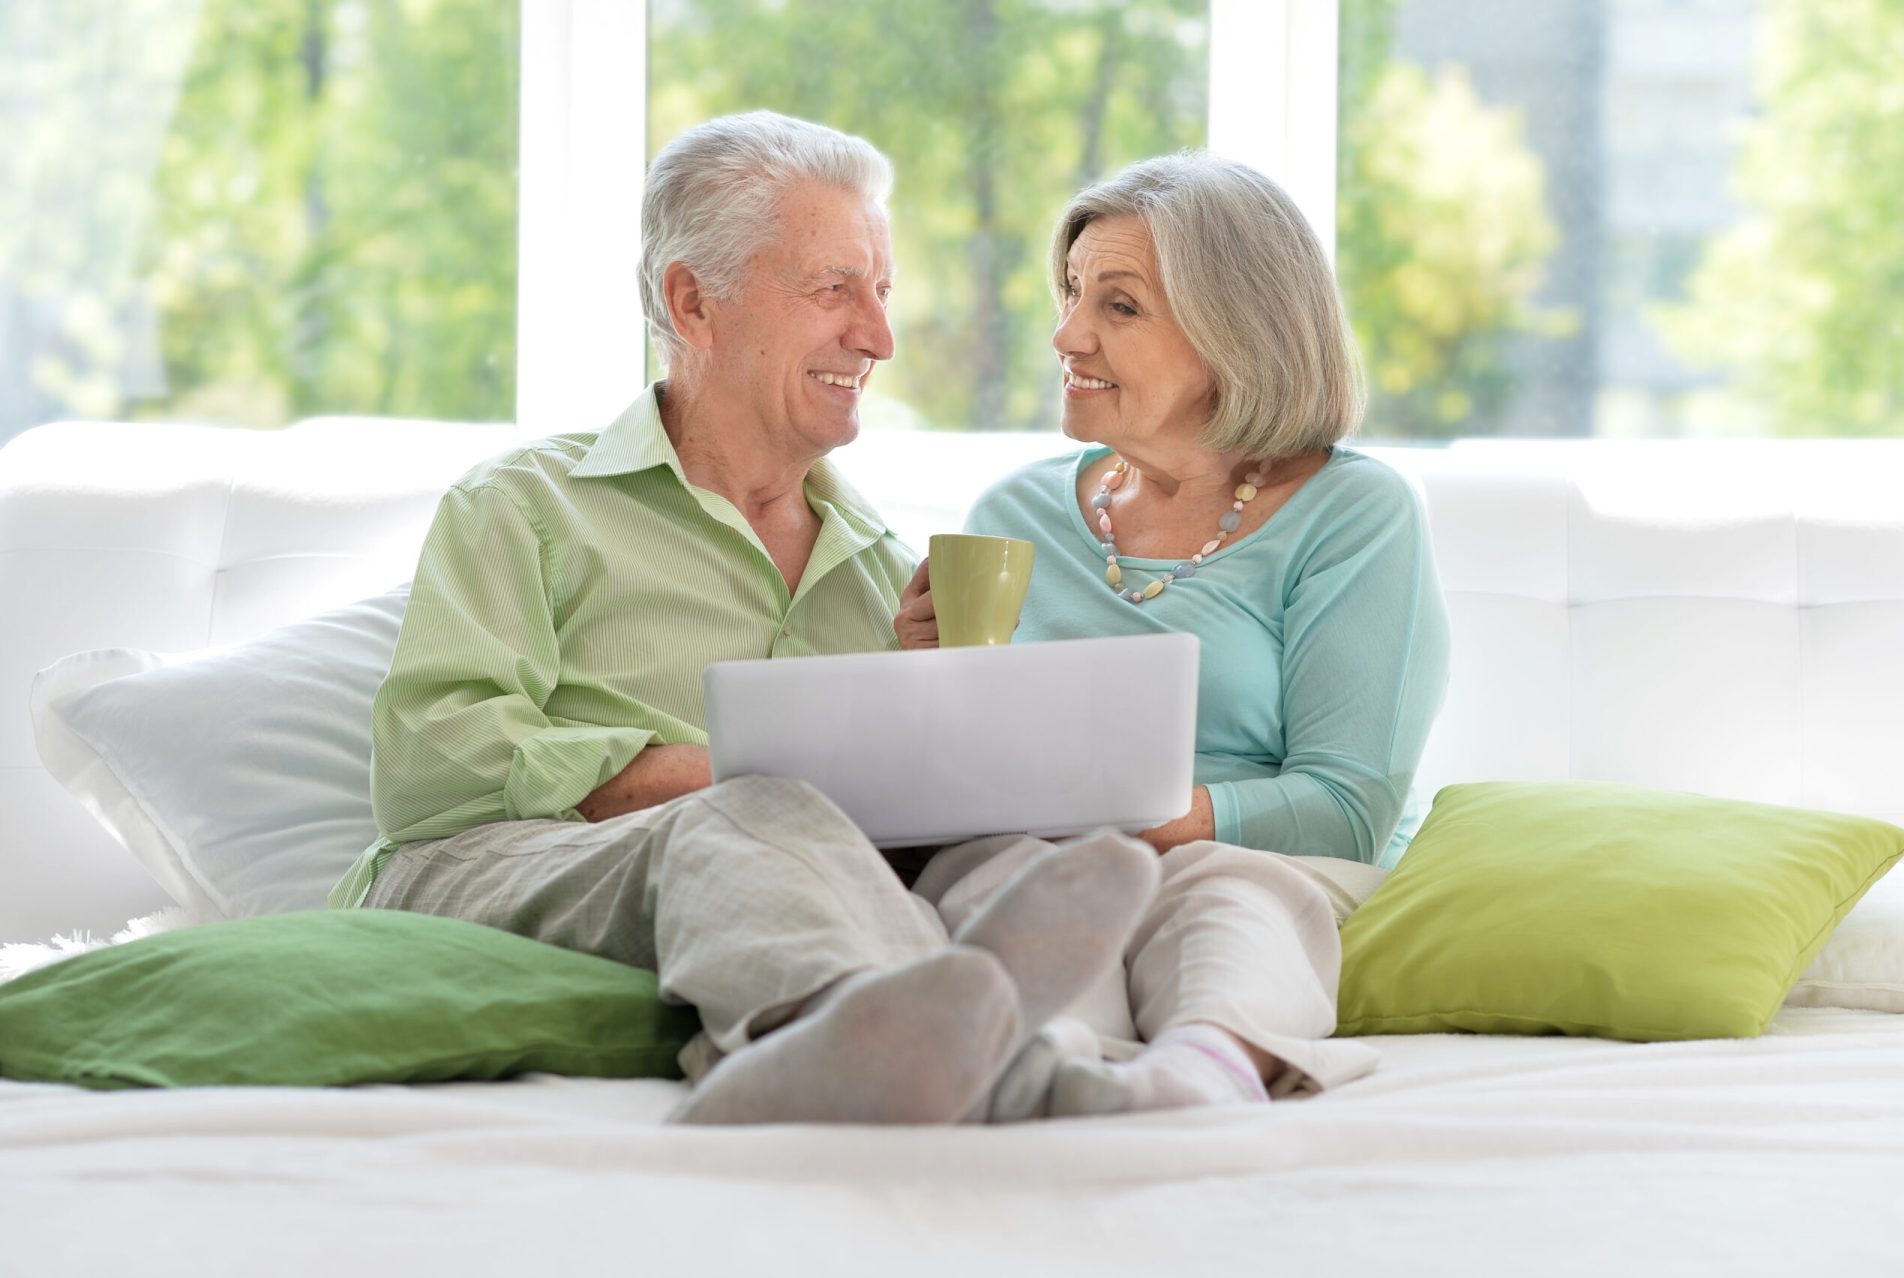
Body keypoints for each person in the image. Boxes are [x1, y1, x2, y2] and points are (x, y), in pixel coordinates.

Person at [330, 111, 1163, 1125]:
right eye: (834, 289)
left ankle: (1020, 1062)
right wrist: (723, 773)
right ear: (695, 303)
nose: (880, 337)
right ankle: (843, 1041)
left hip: (769, 874)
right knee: (757, 811)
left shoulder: (883, 575)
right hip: (492, 866)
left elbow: (875, 822)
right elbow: (436, 764)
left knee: (993, 861)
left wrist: (941, 716)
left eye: (884, 291)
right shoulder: (526, 505)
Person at [894, 153, 1449, 1118]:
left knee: (1221, 889)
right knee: (1005, 875)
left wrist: (1158, 821)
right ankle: (1039, 1061)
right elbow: (960, 763)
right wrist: (923, 679)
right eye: (1071, 293)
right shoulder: (1012, 508)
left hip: (1258, 861)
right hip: (1049, 850)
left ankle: (1208, 1068)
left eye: (1120, 307)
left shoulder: (1353, 513)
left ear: (1235, 331)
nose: (1067, 333)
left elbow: (1346, 803)